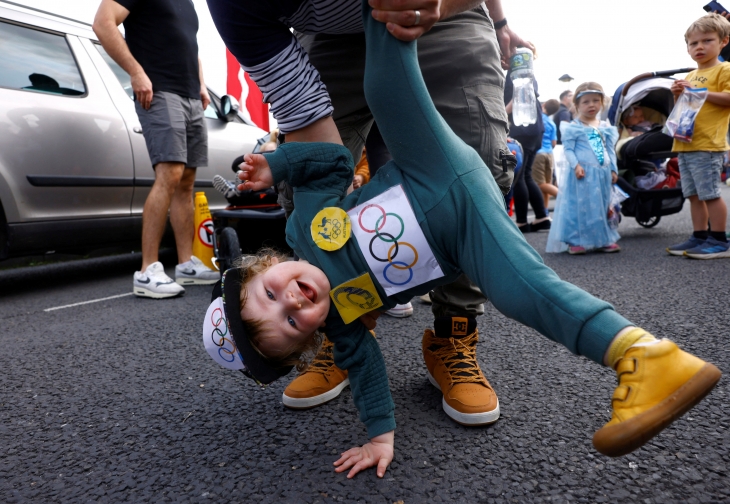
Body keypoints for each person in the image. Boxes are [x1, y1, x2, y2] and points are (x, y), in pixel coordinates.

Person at [203, 5, 721, 479]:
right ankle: (647, 358)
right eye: (292, 324)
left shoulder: (301, 230)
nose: (293, 301)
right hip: (461, 235)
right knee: (523, 292)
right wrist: (379, 438)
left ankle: (382, 4)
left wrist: (278, 165)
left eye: (270, 294)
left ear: (262, 265)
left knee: (387, 86)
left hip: (429, 167)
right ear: (308, 341)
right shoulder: (344, 329)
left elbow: (334, 164)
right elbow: (369, 379)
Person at [207, 0, 530, 426]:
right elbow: (316, 144)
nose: (288, 298)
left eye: (274, 299)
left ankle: (454, 333)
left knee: (481, 167)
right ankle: (339, 328)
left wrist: (485, 17)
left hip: (446, 17)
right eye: (287, 316)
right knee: (301, 187)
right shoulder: (235, 8)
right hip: (331, 40)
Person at [93, 0, 219, 299]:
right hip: (159, 90)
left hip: (189, 95)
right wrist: (136, 73)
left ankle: (186, 263)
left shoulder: (187, 4)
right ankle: (147, 270)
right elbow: (103, 22)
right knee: (170, 174)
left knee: (186, 180)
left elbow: (190, 45)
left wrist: (201, 84)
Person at [666, 13, 730, 259]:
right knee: (692, 194)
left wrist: (699, 92)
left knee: (710, 192)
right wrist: (676, 95)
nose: (699, 47)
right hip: (686, 141)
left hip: (708, 143)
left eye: (707, 40)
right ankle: (699, 235)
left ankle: (719, 240)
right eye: (693, 43)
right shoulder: (691, 75)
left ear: (724, 41)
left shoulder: (724, 69)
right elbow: (684, 107)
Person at [546, 82, 621, 255]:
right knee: (579, 206)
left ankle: (602, 239)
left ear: (602, 102)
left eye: (596, 100)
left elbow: (609, 149)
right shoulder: (574, 127)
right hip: (583, 173)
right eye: (586, 102)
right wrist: (576, 165)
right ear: (577, 105)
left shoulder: (604, 126)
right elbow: (569, 149)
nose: (591, 105)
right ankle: (575, 240)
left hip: (601, 173)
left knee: (601, 206)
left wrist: (613, 169)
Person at [504, 66, 551, 233]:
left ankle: (522, 221)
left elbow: (518, 97)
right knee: (526, 175)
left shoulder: (516, 70)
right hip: (535, 129)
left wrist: (500, 115)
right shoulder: (527, 70)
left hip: (521, 128)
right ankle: (541, 217)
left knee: (518, 176)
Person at [533, 99, 560, 210]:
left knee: (539, 184)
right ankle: (544, 212)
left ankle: (564, 197)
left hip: (538, 153)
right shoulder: (551, 123)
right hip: (549, 154)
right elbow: (554, 143)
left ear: (543, 105)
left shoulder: (537, 119)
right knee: (546, 184)